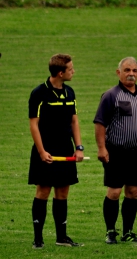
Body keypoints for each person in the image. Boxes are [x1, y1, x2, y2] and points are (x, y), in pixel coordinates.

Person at [93, 57, 137, 244]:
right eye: (127, 70)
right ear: (118, 72)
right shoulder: (110, 96)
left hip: (136, 152)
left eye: (134, 70)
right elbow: (99, 124)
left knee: (133, 192)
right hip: (115, 152)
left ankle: (128, 232)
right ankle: (110, 231)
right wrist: (102, 148)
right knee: (114, 192)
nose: (131, 74)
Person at [28, 54, 85, 249]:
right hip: (45, 150)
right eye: (71, 69)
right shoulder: (38, 93)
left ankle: (61, 237)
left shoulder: (70, 92)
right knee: (43, 191)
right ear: (61, 73)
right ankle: (38, 238)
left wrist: (79, 148)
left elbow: (74, 121)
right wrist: (41, 151)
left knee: (62, 192)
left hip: (65, 149)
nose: (73, 71)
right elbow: (34, 125)